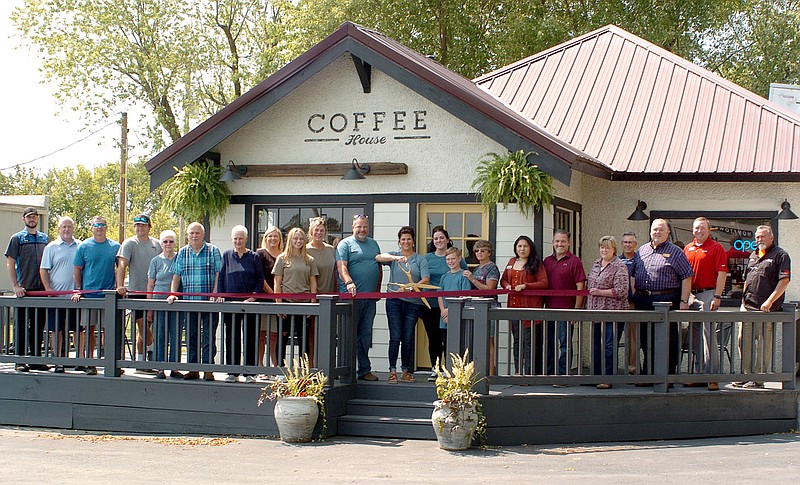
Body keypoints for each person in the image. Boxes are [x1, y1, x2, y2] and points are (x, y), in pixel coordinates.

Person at [630, 219, 693, 379]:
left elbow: (687, 277)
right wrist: (633, 294)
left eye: (660, 230)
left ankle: (667, 377)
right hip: (643, 300)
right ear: (650, 232)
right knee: (645, 341)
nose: (657, 232)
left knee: (667, 341)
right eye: (654, 230)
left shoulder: (676, 252)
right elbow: (633, 274)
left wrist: (684, 302)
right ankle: (648, 375)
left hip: (666, 301)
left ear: (667, 233)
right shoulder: (642, 250)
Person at [733, 225, 791, 389]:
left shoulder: (780, 255)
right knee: (743, 341)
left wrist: (770, 301)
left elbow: (784, 280)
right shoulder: (753, 255)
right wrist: (742, 301)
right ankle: (746, 376)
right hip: (747, 307)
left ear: (771, 237)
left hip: (765, 310)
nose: (759, 240)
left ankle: (758, 379)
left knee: (762, 345)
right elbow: (746, 280)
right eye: (757, 237)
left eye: (763, 237)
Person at [166, 222, 222, 381]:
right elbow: (176, 275)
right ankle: (193, 369)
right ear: (187, 235)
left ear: (203, 234)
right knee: (191, 337)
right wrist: (173, 293)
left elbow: (219, 273)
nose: (194, 236)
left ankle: (208, 369)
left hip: (208, 302)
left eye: (197, 233)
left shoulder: (213, 251)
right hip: (190, 303)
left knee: (208, 337)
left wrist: (216, 293)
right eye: (191, 233)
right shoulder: (182, 253)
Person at [376, 226, 430, 384]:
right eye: (403, 239)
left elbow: (425, 279)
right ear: (399, 241)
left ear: (413, 241)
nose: (406, 242)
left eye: (409, 239)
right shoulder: (395, 255)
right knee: (395, 336)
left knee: (407, 337)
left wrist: (410, 287)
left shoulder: (420, 259)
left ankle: (406, 370)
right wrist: (395, 258)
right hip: (394, 301)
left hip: (413, 302)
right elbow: (378, 257)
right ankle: (392, 371)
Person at [71, 215, 120, 375]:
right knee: (89, 329)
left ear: (106, 227)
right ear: (91, 227)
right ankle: (90, 363)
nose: (99, 227)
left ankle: (109, 362)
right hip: (89, 295)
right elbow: (77, 269)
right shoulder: (84, 246)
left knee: (109, 330)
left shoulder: (115, 247)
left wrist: (119, 288)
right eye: (96, 225)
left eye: (102, 225)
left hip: (108, 296)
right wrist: (78, 289)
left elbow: (120, 268)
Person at [336, 214, 382, 381]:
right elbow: (341, 267)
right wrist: (349, 282)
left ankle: (364, 370)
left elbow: (378, 265)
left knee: (365, 335)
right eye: (359, 226)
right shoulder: (345, 244)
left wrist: (377, 289)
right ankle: (346, 371)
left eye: (365, 227)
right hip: (351, 298)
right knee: (349, 335)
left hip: (369, 299)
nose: (362, 229)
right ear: (353, 227)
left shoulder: (373, 243)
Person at [683, 217, 727, 391]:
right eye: (696, 228)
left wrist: (717, 296)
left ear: (709, 230)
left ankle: (712, 377)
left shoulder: (716, 248)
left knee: (708, 336)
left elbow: (722, 273)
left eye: (702, 228)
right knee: (695, 338)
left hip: (709, 294)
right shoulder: (688, 248)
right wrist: (686, 298)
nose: (699, 231)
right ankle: (701, 374)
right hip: (693, 296)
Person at [218, 225, 264, 384]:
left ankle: (250, 373)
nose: (238, 241)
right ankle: (232, 372)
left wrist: (253, 296)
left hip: (250, 304)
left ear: (246, 239)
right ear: (232, 239)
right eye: (235, 238)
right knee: (232, 337)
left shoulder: (254, 257)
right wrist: (221, 295)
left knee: (250, 337)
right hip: (231, 304)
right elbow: (221, 277)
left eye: (240, 238)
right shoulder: (226, 255)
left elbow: (260, 280)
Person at [116, 213, 162, 371]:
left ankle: (141, 363)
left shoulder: (157, 244)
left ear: (149, 227)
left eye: (143, 225)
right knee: (142, 325)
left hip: (155, 292)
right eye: (137, 225)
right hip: (136, 291)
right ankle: (153, 352)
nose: (140, 228)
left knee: (147, 327)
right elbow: (122, 265)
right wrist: (120, 285)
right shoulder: (129, 243)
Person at [421, 226, 467, 381]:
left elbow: (465, 277)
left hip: (453, 307)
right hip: (432, 305)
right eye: (435, 238)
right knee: (433, 338)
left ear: (447, 239)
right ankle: (436, 368)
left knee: (450, 338)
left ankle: (452, 370)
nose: (439, 241)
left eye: (441, 237)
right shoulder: (427, 258)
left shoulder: (457, 260)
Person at [6, 207, 49, 372]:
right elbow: (10, 261)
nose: (32, 219)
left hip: (41, 290)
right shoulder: (17, 238)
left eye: (35, 216)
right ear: (23, 219)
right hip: (25, 290)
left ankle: (36, 359)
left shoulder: (45, 238)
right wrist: (15, 285)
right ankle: (20, 360)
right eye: (29, 217)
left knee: (39, 325)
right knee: (22, 326)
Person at [500, 235, 548, 375]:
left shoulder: (536, 264)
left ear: (530, 248)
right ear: (516, 248)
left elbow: (544, 283)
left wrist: (525, 286)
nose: (522, 249)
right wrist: (507, 285)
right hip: (513, 308)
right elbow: (503, 280)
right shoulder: (511, 261)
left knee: (529, 342)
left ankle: (529, 373)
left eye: (525, 246)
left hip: (529, 308)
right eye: (520, 246)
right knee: (516, 341)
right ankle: (517, 372)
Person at [586, 236, 629, 389]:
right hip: (596, 312)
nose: (604, 250)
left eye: (608, 247)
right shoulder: (596, 264)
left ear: (614, 250)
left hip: (613, 313)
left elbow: (622, 292)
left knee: (609, 346)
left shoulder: (620, 266)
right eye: (602, 247)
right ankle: (596, 376)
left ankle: (608, 378)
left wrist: (600, 292)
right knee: (596, 345)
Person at [543, 230, 586, 377]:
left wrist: (576, 310)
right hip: (548, 310)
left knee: (565, 345)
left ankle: (563, 375)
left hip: (567, 310)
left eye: (562, 241)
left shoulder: (575, 261)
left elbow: (581, 287)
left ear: (569, 243)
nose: (559, 244)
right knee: (549, 345)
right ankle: (548, 375)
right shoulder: (546, 261)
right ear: (553, 242)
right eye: (557, 241)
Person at [39, 216, 80, 374]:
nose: (67, 229)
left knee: (78, 329)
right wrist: (49, 289)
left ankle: (79, 360)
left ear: (73, 228)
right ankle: (58, 361)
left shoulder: (80, 246)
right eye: (64, 227)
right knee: (56, 330)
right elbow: (44, 269)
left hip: (75, 297)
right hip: (57, 297)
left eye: (69, 226)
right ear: (59, 229)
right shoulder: (51, 247)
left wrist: (79, 288)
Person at [273, 227, 318, 367]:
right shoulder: (282, 258)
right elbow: (277, 281)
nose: (298, 241)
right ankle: (280, 369)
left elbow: (313, 282)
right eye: (295, 238)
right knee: (283, 336)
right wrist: (279, 303)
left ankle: (303, 370)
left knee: (303, 337)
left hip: (304, 304)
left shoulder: (309, 259)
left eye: (301, 239)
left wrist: (312, 303)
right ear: (290, 240)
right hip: (286, 302)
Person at [146, 230, 182, 379]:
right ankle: (160, 368)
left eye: (171, 241)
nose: (168, 244)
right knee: (160, 335)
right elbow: (150, 284)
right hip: (159, 302)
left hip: (175, 304)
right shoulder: (155, 261)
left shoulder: (179, 259)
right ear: (161, 244)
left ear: (175, 243)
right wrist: (149, 306)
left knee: (175, 335)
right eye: (165, 241)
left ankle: (174, 368)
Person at [463, 239, 500, 375]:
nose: (479, 253)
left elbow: (489, 289)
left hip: (489, 308)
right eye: (477, 250)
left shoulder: (492, 268)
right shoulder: (477, 268)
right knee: (477, 341)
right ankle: (478, 373)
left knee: (489, 341)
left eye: (483, 250)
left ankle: (490, 374)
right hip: (476, 308)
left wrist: (472, 279)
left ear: (489, 252)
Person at [306, 216, 337, 366]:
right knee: (311, 335)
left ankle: (325, 365)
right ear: (311, 231)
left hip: (329, 297)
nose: (319, 233)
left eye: (322, 230)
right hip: (311, 298)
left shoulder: (331, 250)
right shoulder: (304, 249)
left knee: (327, 334)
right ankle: (311, 366)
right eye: (316, 230)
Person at [438, 247, 472, 356]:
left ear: (459, 259)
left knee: (458, 345)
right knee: (446, 344)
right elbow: (439, 295)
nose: (450, 262)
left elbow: (464, 296)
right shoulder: (444, 277)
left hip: (458, 315)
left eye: (453, 259)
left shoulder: (463, 276)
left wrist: (450, 311)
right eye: (448, 259)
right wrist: (443, 311)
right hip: (445, 317)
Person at [256, 226, 282, 366]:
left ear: (280, 239)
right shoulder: (260, 254)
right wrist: (273, 294)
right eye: (269, 236)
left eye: (275, 236)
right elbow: (260, 278)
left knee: (274, 335)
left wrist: (279, 297)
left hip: (280, 301)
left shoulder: (284, 254)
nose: (272, 239)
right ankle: (260, 365)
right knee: (261, 334)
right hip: (264, 299)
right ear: (265, 238)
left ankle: (275, 365)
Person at [619, 231, 639, 374]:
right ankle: (610, 370)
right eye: (625, 242)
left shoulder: (641, 260)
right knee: (612, 337)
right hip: (617, 305)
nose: (628, 245)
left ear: (635, 244)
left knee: (633, 338)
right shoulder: (616, 261)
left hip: (633, 304)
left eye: (630, 242)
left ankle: (632, 368)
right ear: (621, 244)